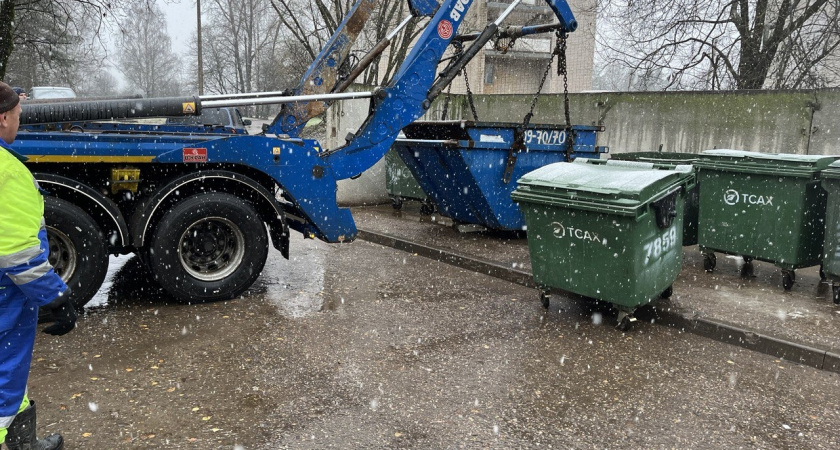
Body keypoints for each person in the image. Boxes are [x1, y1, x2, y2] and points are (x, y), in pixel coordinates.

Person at [0, 81, 76, 449]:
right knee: (5, 374)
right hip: (4, 294)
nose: (19, 122)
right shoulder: (7, 172)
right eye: (17, 115)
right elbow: (18, 253)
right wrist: (56, 296)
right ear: (2, 119)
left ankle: (22, 442)